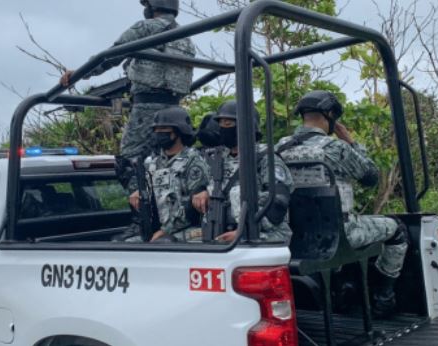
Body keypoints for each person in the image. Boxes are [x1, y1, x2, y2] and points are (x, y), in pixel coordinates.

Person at [276, 90, 409, 318]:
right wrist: (352, 142)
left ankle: (341, 294)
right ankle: (383, 299)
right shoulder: (336, 148)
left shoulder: (279, 147)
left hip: (293, 235)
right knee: (398, 230)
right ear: (329, 114)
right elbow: (371, 178)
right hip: (340, 234)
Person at [60, 0, 196, 169]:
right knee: (163, 159)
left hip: (147, 107)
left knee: (129, 160)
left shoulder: (145, 27)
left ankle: (138, 195)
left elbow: (111, 55)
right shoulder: (185, 36)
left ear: (152, 7)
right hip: (176, 109)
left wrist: (80, 73)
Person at [192, 100, 293, 244]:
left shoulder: (265, 157)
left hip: (262, 233)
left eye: (228, 124)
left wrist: (245, 230)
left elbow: (278, 203)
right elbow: (204, 185)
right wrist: (202, 192)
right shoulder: (216, 157)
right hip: (218, 231)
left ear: (245, 126)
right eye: (220, 124)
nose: (223, 128)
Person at [128, 107, 209, 242]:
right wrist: (139, 193)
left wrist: (166, 230)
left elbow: (192, 208)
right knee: (126, 244)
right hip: (157, 228)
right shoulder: (153, 162)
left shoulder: (193, 161)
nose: (158, 133)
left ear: (178, 132)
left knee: (163, 243)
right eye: (156, 130)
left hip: (187, 228)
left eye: (164, 129)